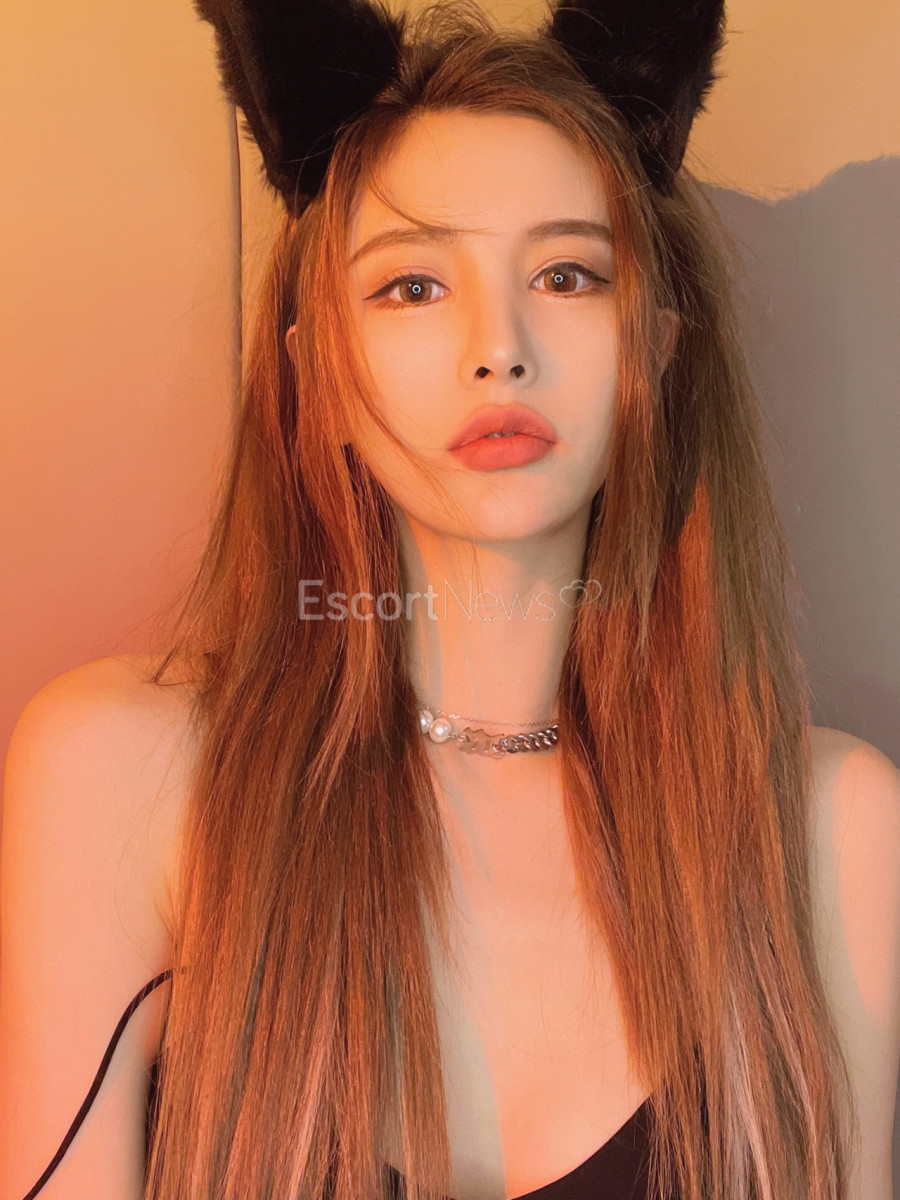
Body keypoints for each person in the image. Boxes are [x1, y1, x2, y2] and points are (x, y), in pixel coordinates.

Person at [3, 0, 900, 1198]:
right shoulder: (133, 777)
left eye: (568, 274)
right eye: (412, 286)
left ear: (659, 348)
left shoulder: (824, 831)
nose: (499, 347)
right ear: (317, 373)